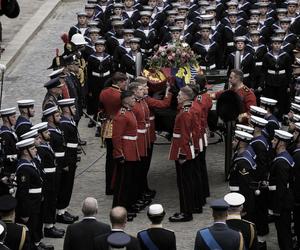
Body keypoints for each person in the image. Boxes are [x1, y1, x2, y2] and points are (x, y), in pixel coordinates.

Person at [15, 138, 53, 250]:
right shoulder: (24, 168)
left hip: (36, 201)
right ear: (26, 152)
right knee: (30, 228)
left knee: (36, 225)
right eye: (33, 148)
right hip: (30, 204)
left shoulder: (31, 163)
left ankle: (36, 243)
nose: (36, 150)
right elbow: (23, 193)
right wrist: (25, 212)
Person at [30, 122, 64, 238]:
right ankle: (48, 227)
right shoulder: (41, 150)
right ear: (39, 135)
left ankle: (50, 224)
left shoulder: (46, 146)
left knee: (52, 202)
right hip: (47, 181)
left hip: (52, 179)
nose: (48, 133)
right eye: (45, 132)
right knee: (48, 203)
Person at [168, 86, 196, 222]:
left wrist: (182, 154)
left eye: (179, 95)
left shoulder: (185, 113)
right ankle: (187, 209)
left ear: (185, 97)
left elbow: (184, 136)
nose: (177, 97)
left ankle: (186, 212)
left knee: (183, 183)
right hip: (183, 147)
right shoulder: (186, 110)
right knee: (185, 182)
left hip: (182, 149)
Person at [112, 90, 140, 221]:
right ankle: (119, 209)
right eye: (132, 98)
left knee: (129, 182)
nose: (134, 99)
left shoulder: (128, 111)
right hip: (125, 153)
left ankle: (126, 206)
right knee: (122, 184)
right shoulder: (122, 115)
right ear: (125, 100)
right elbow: (116, 137)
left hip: (131, 150)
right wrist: (119, 153)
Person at [99, 72, 128, 195]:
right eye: (125, 82)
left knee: (109, 160)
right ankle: (115, 185)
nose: (126, 84)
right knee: (118, 158)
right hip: (118, 128)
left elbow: (101, 110)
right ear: (120, 82)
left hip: (106, 127)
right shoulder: (121, 95)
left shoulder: (104, 92)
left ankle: (108, 186)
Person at [269, 129, 295, 250]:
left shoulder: (281, 162)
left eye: (275, 140)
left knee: (283, 234)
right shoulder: (283, 157)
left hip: (282, 204)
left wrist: (277, 208)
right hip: (284, 201)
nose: (272, 141)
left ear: (281, 143)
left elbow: (281, 188)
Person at [249, 115, 270, 249]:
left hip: (258, 183)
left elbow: (261, 164)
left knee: (259, 210)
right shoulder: (261, 139)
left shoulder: (258, 143)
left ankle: (261, 236)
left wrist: (258, 181)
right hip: (260, 182)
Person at [57, 98, 79, 223]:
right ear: (66, 109)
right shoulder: (64, 124)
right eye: (73, 107)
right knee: (65, 186)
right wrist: (65, 162)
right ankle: (60, 212)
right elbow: (63, 145)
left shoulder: (69, 121)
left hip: (72, 157)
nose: (75, 109)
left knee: (68, 185)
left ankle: (63, 209)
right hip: (68, 159)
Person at [229, 130, 256, 221]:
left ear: (241, 144)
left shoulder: (243, 162)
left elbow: (245, 187)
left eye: (235, 141)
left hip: (241, 200)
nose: (232, 142)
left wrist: (243, 207)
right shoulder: (240, 155)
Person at [0, 108, 18, 195]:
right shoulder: (5, 134)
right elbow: (4, 155)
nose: (15, 118)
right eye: (13, 117)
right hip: (7, 171)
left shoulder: (10, 132)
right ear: (6, 119)